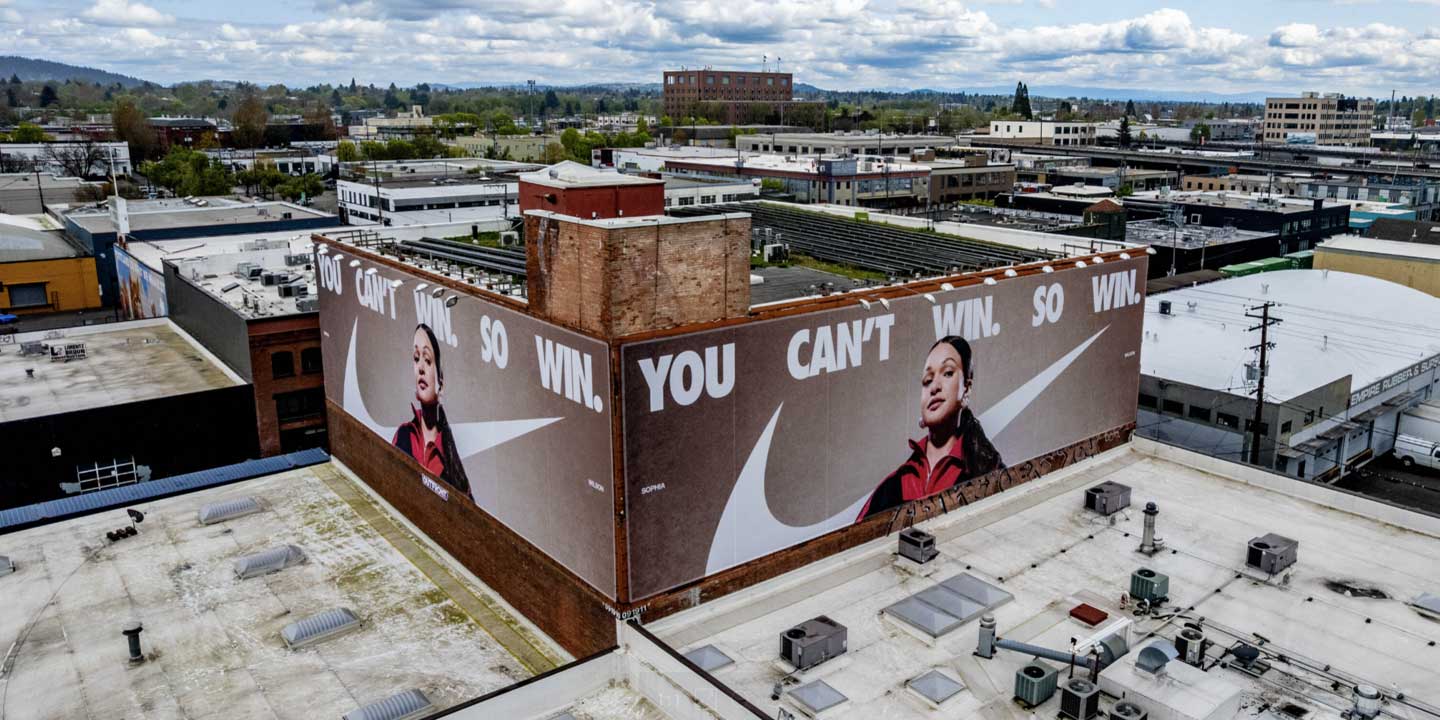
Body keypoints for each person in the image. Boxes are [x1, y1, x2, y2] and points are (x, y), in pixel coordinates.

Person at [857, 335, 1002, 521]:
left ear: (967, 388)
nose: (934, 387)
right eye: (927, 380)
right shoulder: (893, 485)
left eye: (948, 373)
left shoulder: (989, 470)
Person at [393, 323, 471, 494]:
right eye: (416, 358)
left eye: (427, 360)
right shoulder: (404, 435)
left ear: (440, 384)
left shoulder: (451, 460)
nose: (420, 368)